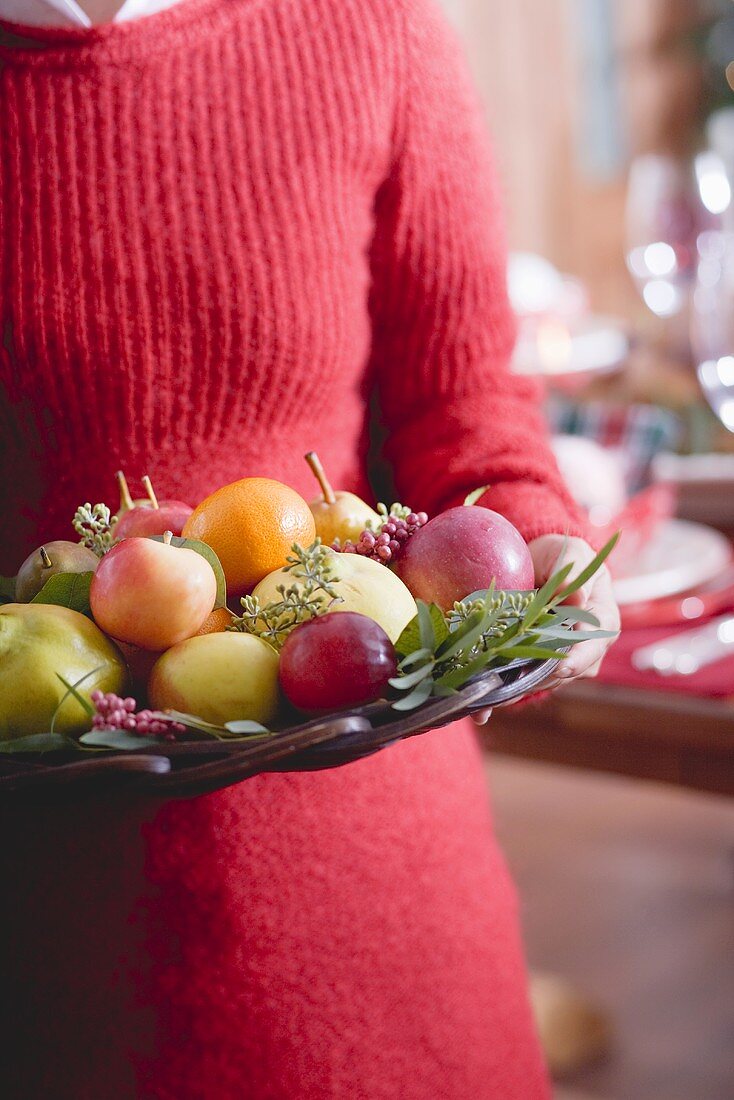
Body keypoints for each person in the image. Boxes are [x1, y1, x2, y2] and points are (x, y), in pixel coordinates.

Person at [0, 0, 619, 1096]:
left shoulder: (371, 26)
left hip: (370, 909)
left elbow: (461, 403)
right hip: (46, 928)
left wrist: (540, 543)